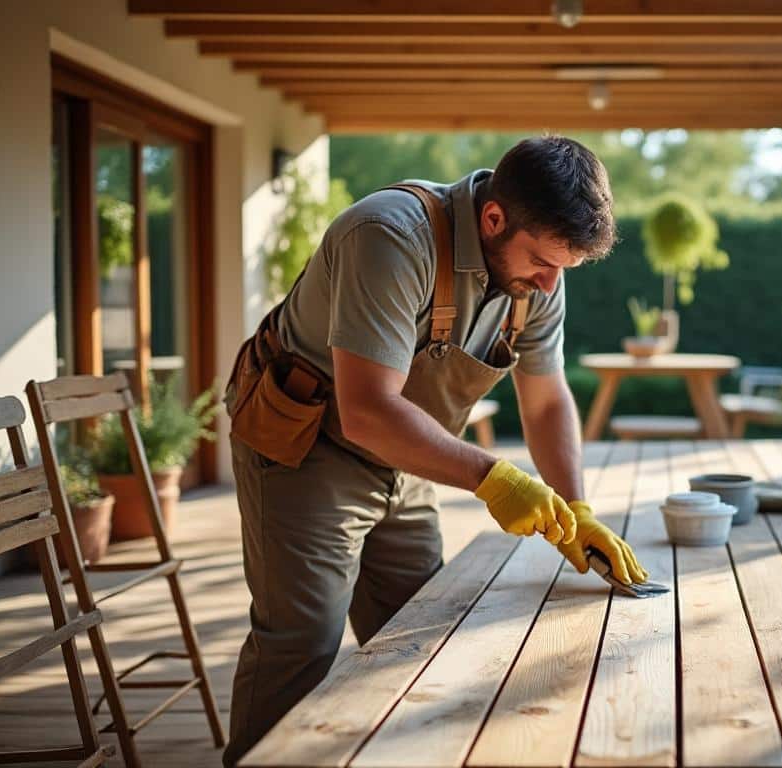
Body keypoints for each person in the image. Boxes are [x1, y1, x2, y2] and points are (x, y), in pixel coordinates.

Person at [220, 136, 649, 766]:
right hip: (308, 441)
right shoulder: (390, 236)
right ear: (494, 219)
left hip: (408, 451)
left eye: (566, 268)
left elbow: (547, 398)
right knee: (302, 641)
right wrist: (495, 478)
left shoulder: (540, 272)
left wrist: (576, 506)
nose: (551, 283)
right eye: (543, 262)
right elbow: (367, 411)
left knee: (417, 629)